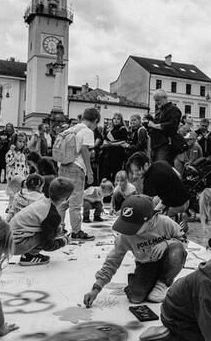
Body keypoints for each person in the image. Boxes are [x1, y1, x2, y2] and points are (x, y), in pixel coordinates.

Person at [83, 195, 187, 306]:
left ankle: (163, 282)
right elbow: (112, 261)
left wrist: (167, 243)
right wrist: (96, 288)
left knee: (177, 251)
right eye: (126, 225)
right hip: (146, 265)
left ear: (150, 219)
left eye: (133, 226)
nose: (128, 230)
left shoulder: (165, 223)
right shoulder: (125, 236)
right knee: (135, 297)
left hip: (168, 259)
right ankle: (147, 281)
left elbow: (184, 241)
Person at [9, 177, 74, 266]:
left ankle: (29, 254)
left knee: (54, 229)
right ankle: (29, 256)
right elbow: (47, 245)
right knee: (51, 232)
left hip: (9, 239)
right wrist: (64, 241)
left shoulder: (43, 201)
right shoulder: (52, 215)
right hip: (14, 246)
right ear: (67, 198)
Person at [58, 107, 99, 241]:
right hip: (76, 167)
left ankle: (59, 228)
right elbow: (84, 150)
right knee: (75, 201)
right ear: (95, 121)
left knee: (63, 199)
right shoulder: (87, 131)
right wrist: (89, 170)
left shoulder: (71, 129)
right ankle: (76, 232)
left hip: (63, 165)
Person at [127, 151, 192, 230]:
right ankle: (179, 213)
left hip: (178, 205)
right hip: (186, 197)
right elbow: (178, 174)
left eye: (137, 171)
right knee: (155, 200)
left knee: (154, 220)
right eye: (133, 172)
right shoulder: (160, 163)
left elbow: (146, 205)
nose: (135, 175)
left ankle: (178, 219)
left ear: (146, 165)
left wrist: (153, 213)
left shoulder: (149, 180)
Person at [147, 90, 183, 164]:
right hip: (157, 144)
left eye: (157, 100)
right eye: (155, 100)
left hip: (165, 144)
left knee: (162, 167)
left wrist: (153, 125)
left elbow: (172, 125)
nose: (156, 103)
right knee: (158, 167)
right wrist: (150, 120)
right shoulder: (160, 110)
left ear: (164, 98)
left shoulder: (173, 109)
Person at [100, 112, 131, 181]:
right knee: (106, 171)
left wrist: (111, 144)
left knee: (115, 172)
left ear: (121, 120)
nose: (116, 120)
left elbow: (124, 141)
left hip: (117, 153)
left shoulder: (122, 129)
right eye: (114, 118)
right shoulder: (110, 129)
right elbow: (105, 139)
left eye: (118, 119)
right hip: (108, 152)